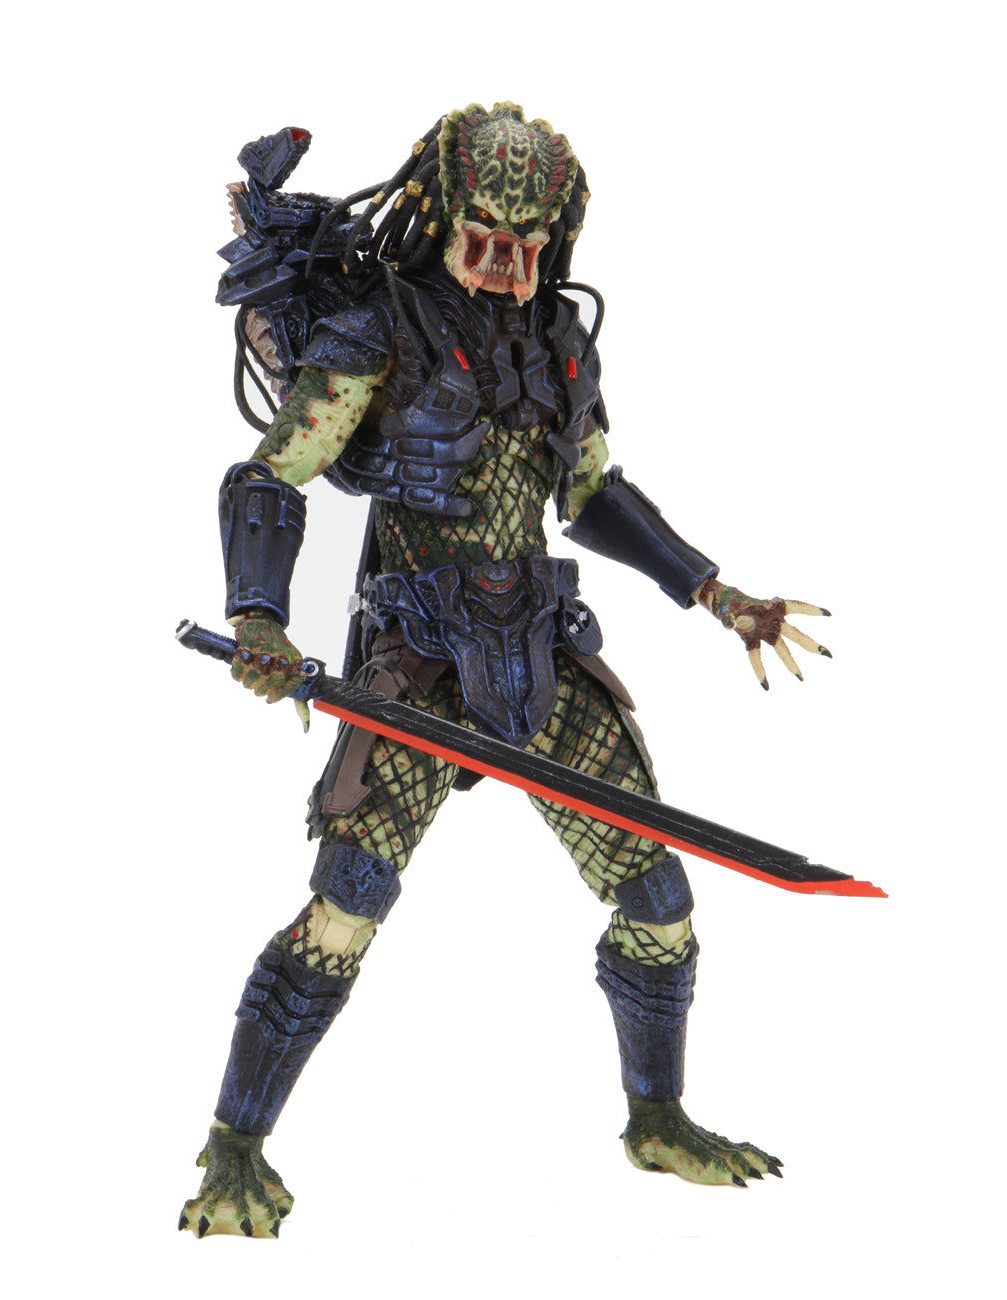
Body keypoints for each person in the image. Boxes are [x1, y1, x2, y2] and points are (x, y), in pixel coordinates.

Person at [180, 103, 830, 1239]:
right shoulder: (377, 331)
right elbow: (272, 476)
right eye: (483, 235)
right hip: (417, 659)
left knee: (658, 901)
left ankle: (656, 1120)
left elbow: (593, 494)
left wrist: (714, 593)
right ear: (440, 216)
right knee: (346, 905)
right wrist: (259, 616)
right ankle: (234, 1149)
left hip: (543, 647)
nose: (505, 265)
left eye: (527, 245)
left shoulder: (561, 342)